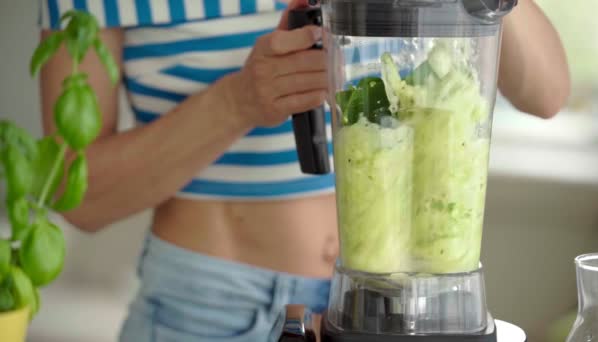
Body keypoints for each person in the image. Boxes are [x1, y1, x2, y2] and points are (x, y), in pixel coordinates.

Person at [37, 0, 569, 341]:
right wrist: (237, 103)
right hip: (213, 311)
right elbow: (76, 196)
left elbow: (547, 92)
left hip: (411, 305)